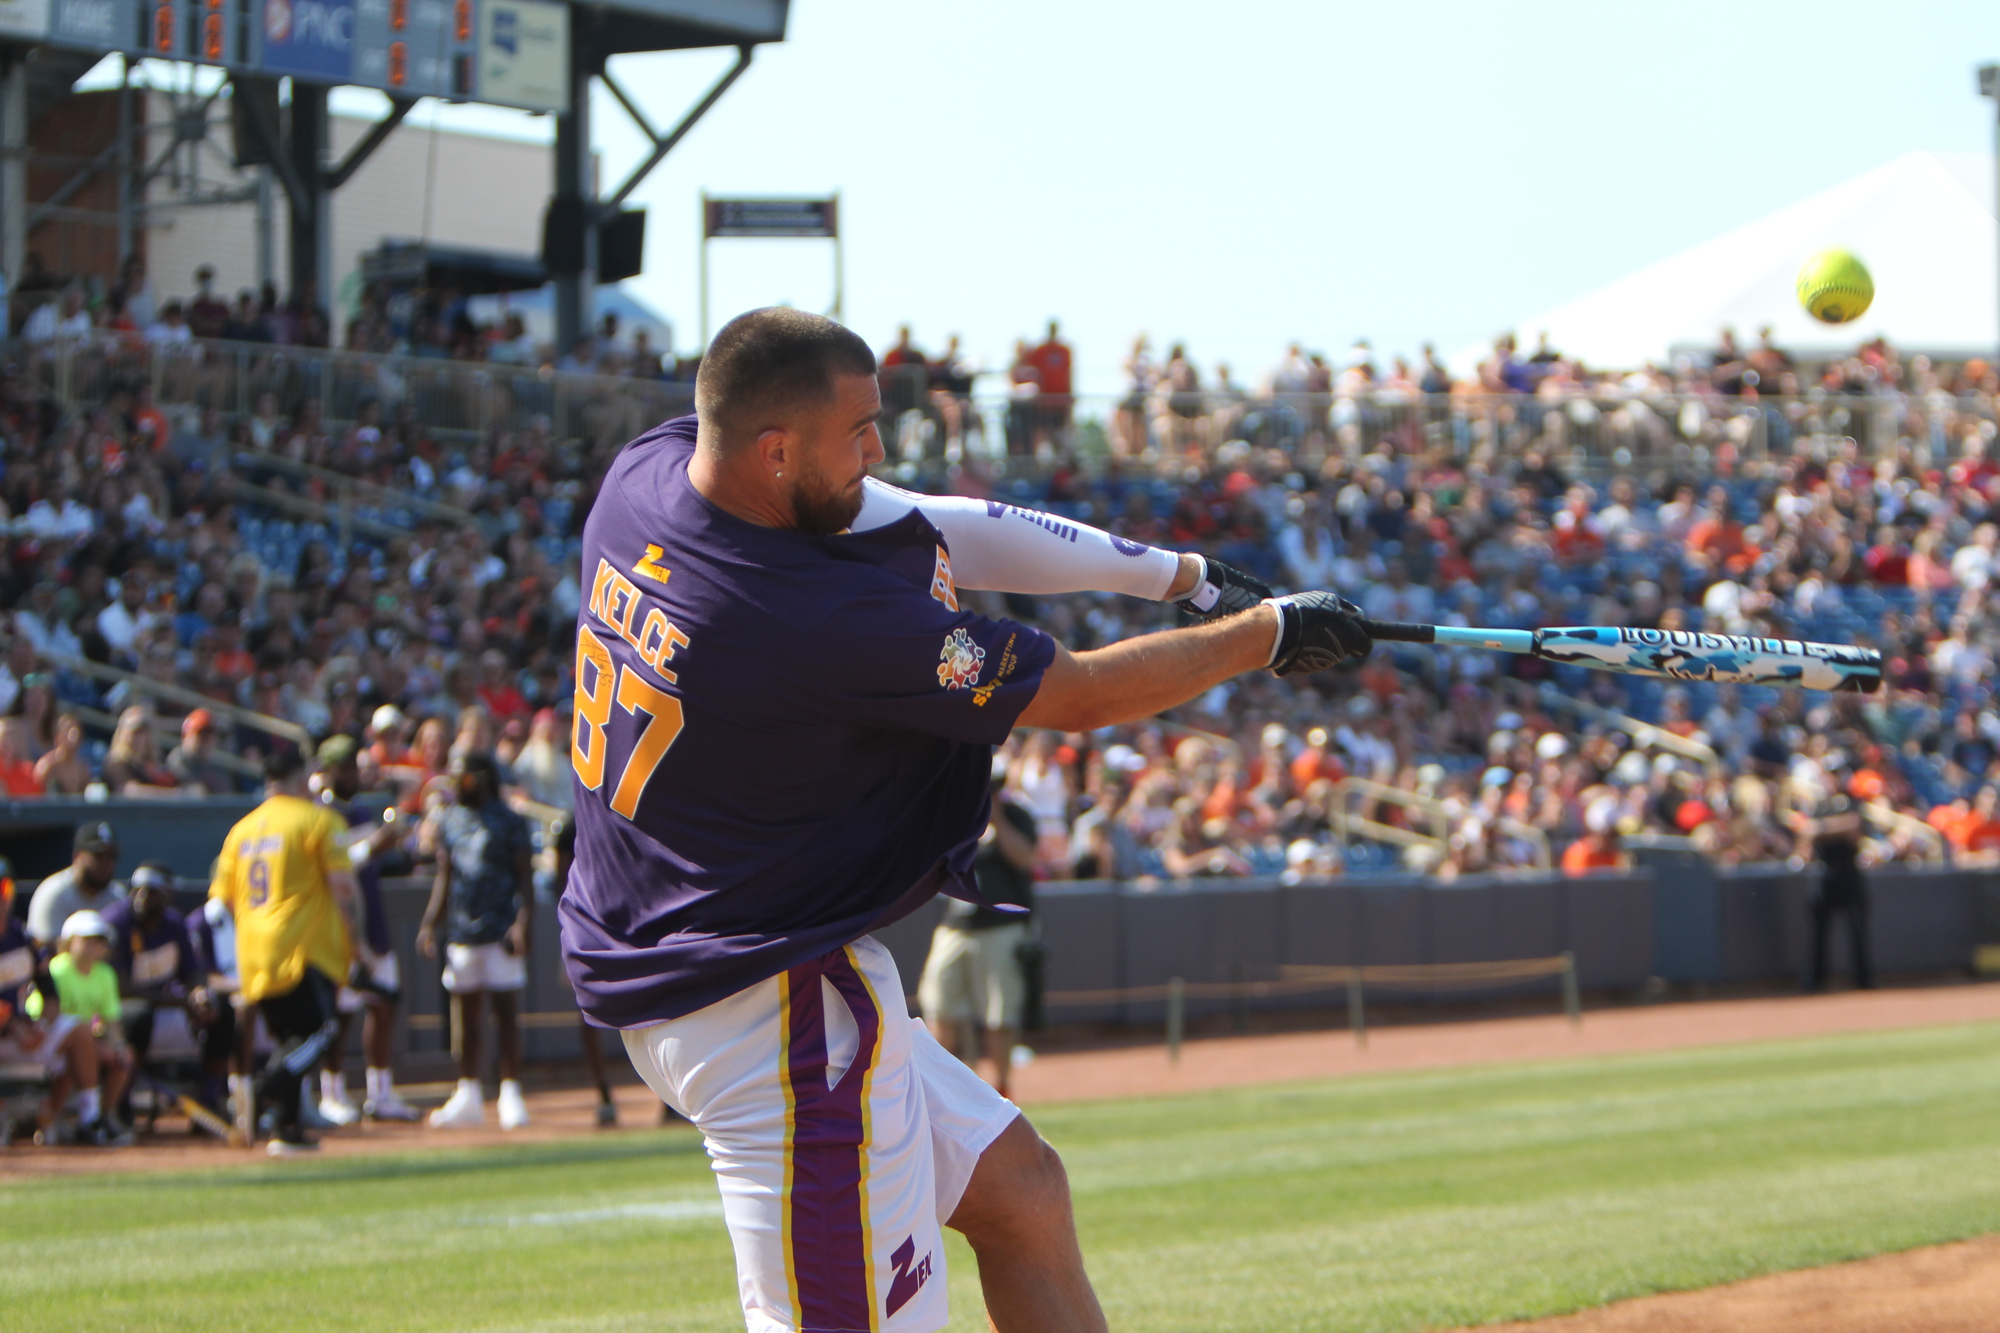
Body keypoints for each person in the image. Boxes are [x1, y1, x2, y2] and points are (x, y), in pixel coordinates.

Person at [559, 307, 1371, 1333]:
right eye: (857, 431)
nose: (878, 451)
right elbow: (1074, 694)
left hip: (665, 958)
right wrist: (1263, 633)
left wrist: (1182, 577)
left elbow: (923, 518)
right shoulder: (816, 620)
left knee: (1018, 1189)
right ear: (774, 450)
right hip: (772, 1008)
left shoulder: (651, 474)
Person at [209, 748, 360, 1155]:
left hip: (255, 951)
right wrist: (355, 942)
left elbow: (221, 901)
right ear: (299, 779)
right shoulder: (318, 820)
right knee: (321, 1032)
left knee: (290, 1038)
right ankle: (259, 1094)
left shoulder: (241, 831)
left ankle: (286, 1128)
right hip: (302, 947)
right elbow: (343, 888)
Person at [418, 752, 533, 1131]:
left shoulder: (511, 821)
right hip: (461, 932)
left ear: (481, 778)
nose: (455, 784)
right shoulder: (449, 821)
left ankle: (510, 1092)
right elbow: (444, 877)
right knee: (465, 1019)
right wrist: (429, 923)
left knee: (505, 1015)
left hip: (499, 931)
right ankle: (468, 1092)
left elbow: (525, 880)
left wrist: (521, 924)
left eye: (461, 777)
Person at [312, 736, 418, 1123]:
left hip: (372, 921)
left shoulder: (358, 813)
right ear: (325, 773)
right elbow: (332, 873)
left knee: (384, 1004)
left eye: (355, 768)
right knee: (339, 1015)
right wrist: (372, 847)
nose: (353, 776)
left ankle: (381, 1093)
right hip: (339, 929)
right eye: (345, 769)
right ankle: (332, 1093)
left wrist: (392, 846)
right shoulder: (318, 817)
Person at [918, 782, 1038, 1098]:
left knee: (999, 1015)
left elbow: (1023, 858)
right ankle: (943, 1090)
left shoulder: (1016, 815)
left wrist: (997, 817)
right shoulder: (955, 816)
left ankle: (1001, 1089)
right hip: (955, 926)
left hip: (999, 927)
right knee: (940, 1007)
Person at [101, 862, 232, 1118]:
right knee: (138, 1014)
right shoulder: (116, 923)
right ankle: (121, 1104)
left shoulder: (174, 925)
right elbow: (120, 987)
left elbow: (193, 972)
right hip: (121, 1015)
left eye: (150, 891)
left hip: (167, 1009)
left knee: (222, 1010)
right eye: (136, 889)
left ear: (166, 895)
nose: (140, 897)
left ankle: (209, 1100)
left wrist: (198, 994)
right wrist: (178, 1001)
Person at [0, 900, 115, 1145]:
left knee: (78, 1031)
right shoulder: (63, 966)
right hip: (8, 1035)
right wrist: (14, 1027)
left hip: (25, 1034)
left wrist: (40, 1025)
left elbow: (49, 994)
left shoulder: (20, 937)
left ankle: (89, 1118)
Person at [26, 910, 135, 1144]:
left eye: (99, 941)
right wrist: (86, 1034)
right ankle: (87, 1119)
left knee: (123, 1055)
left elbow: (111, 1020)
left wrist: (117, 1046)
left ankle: (106, 1115)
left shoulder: (105, 975)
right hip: (47, 1040)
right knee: (80, 1041)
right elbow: (39, 1014)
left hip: (82, 1040)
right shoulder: (57, 970)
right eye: (87, 940)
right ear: (68, 942)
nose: (94, 947)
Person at [1791, 786, 1874, 991]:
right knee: (1819, 931)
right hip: (1824, 872)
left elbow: (1853, 827)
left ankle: (1863, 979)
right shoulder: (1820, 806)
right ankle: (1815, 979)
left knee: (1857, 928)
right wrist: (1825, 829)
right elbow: (1807, 832)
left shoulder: (1852, 802)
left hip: (1849, 872)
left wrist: (1823, 828)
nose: (1834, 779)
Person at [28, 822, 127, 951]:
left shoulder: (118, 896)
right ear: (77, 856)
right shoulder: (54, 894)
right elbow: (43, 950)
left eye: (111, 857)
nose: (105, 863)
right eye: (98, 855)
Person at [164, 709, 236, 795]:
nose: (205, 741)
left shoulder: (216, 766)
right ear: (186, 736)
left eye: (208, 735)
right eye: (200, 735)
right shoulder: (178, 759)